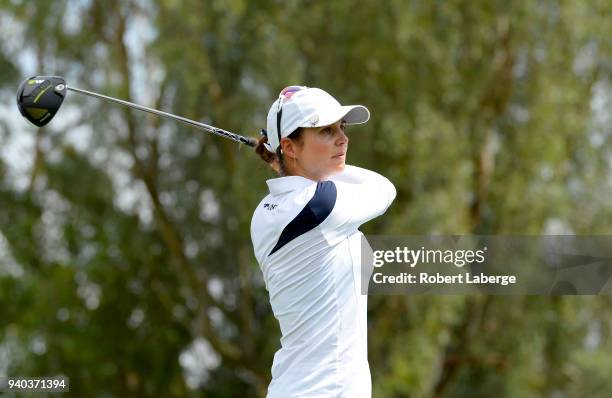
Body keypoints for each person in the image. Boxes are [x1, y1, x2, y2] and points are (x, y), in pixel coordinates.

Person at [250, 86, 396, 397]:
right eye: (326, 131)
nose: (343, 139)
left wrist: (289, 164)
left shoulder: (264, 214)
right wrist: (284, 163)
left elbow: (305, 188)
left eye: (341, 128)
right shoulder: (322, 205)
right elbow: (384, 189)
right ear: (290, 146)